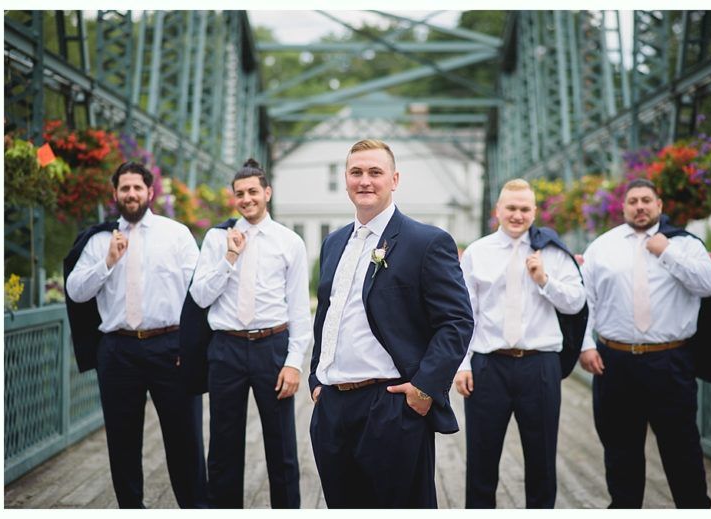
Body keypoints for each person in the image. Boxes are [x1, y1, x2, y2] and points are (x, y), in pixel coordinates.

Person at [308, 139, 474, 508]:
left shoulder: (426, 241)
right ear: (346, 179)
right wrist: (317, 380)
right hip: (332, 408)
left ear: (394, 179)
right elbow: (328, 313)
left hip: (391, 406)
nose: (364, 180)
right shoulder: (334, 243)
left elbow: (457, 321)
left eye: (375, 172)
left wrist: (424, 388)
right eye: (356, 172)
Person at [64, 161, 207, 508]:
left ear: (150, 192)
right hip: (118, 352)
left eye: (137, 188)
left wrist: (190, 347)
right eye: (124, 188)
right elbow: (75, 290)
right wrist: (107, 262)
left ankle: (196, 510)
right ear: (115, 194)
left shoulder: (176, 234)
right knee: (122, 441)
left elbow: (198, 292)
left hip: (170, 348)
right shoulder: (99, 240)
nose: (131, 194)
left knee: (184, 439)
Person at [579, 178, 711, 508]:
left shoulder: (684, 244)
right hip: (615, 362)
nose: (640, 206)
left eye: (646, 200)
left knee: (681, 446)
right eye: (633, 201)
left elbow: (708, 283)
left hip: (669, 363)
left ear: (659, 206)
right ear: (624, 207)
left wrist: (667, 252)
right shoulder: (602, 246)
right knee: (620, 449)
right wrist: (586, 345)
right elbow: (587, 301)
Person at [453, 179, 586, 508]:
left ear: (534, 212)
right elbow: (465, 313)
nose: (517, 215)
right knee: (482, 461)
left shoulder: (552, 252)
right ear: (497, 210)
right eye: (510, 208)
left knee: (541, 460)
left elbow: (576, 302)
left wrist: (545, 280)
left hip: (539, 365)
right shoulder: (477, 253)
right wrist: (463, 364)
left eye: (524, 209)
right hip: (488, 366)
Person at [188, 159, 311, 508]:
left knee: (282, 445)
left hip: (272, 347)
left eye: (253, 191)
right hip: (225, 348)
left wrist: (294, 363)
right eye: (239, 194)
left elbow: (299, 308)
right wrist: (229, 256)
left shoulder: (290, 242)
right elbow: (199, 297)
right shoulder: (216, 239)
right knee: (223, 445)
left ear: (267, 193)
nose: (246, 199)